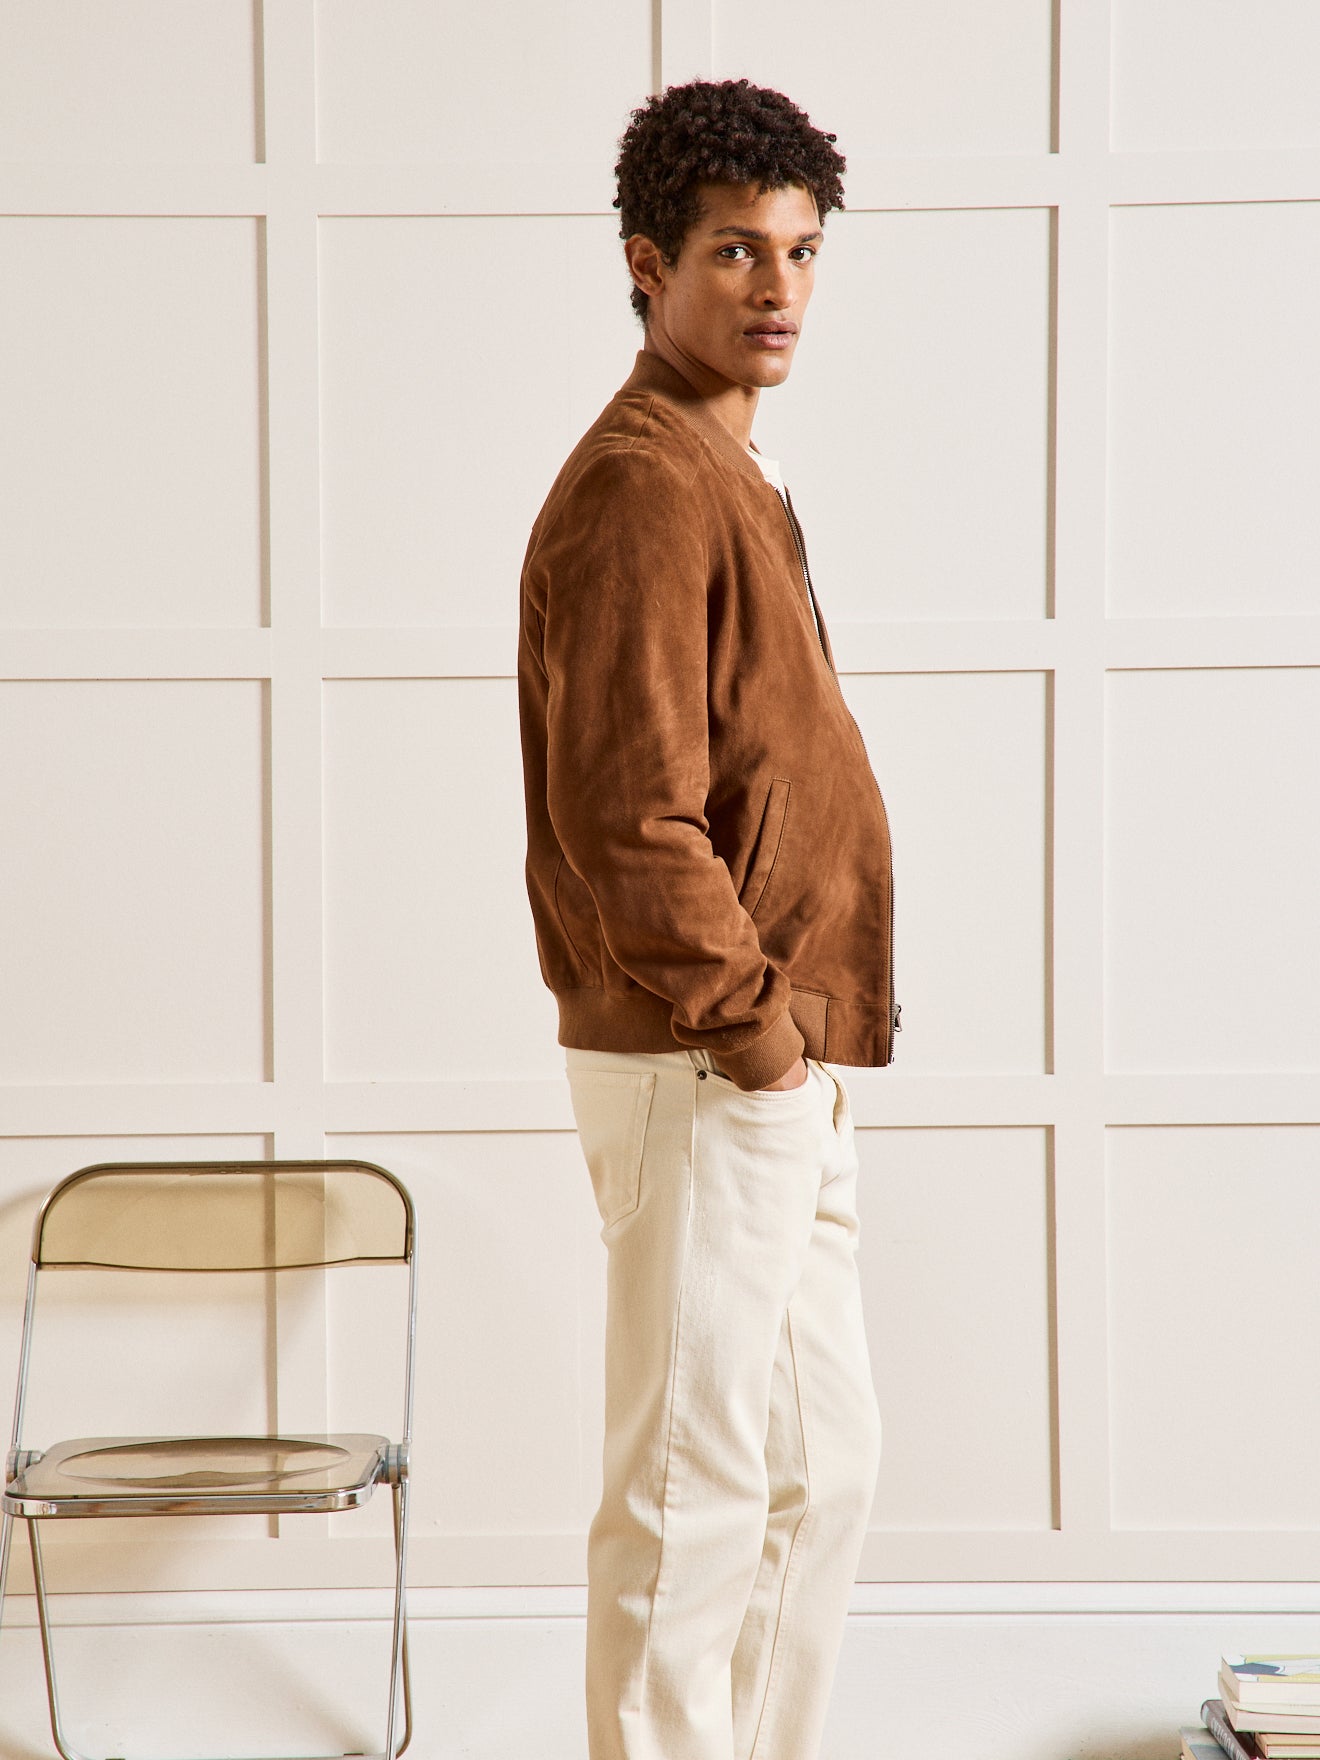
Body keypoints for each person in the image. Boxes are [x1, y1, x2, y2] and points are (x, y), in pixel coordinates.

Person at [517, 75, 899, 1760]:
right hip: (705, 1058)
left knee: (821, 1470)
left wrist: (789, 1051)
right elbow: (629, 811)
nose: (778, 287)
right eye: (737, 250)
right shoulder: (644, 486)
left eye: (801, 252)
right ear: (647, 264)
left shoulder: (725, 469)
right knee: (690, 1494)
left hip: (767, 1061)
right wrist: (754, 1038)